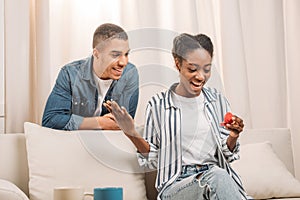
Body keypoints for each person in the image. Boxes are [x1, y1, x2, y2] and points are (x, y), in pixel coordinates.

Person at [105, 33, 249, 199]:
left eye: (206, 69)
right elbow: (152, 160)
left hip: (216, 179)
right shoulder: (158, 105)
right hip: (176, 186)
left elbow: (227, 155)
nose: (201, 77)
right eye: (192, 69)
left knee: (217, 176)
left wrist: (233, 135)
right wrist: (131, 132)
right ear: (177, 63)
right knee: (217, 177)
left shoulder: (217, 101)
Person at [42, 23, 139, 130]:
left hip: (109, 143)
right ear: (96, 53)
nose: (123, 62)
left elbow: (123, 125)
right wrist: (100, 122)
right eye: (115, 55)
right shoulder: (69, 74)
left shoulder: (130, 74)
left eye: (126, 54)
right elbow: (50, 121)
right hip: (75, 142)